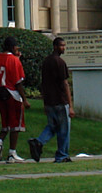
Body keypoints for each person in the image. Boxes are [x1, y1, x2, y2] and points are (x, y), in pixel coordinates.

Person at [28, 35, 73, 164]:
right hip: (60, 101)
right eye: (61, 45)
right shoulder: (60, 62)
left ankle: (38, 141)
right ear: (55, 46)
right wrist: (70, 105)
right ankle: (62, 155)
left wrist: (44, 102)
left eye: (64, 45)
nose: (63, 48)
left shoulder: (46, 61)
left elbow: (44, 83)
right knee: (64, 129)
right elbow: (65, 83)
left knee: (52, 127)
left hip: (49, 101)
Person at [0, 35, 28, 162]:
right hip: (12, 94)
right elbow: (18, 82)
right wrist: (25, 99)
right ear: (13, 47)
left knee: (5, 123)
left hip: (0, 92)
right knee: (15, 125)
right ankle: (12, 153)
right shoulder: (14, 60)